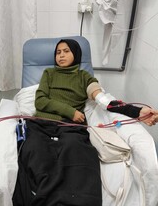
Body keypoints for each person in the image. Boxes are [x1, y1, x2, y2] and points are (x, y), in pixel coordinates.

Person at [12, 39, 157, 206]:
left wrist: (137, 112)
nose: (61, 55)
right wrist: (71, 111)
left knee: (79, 155)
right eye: (58, 52)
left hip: (70, 127)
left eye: (66, 51)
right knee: (33, 152)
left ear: (76, 54)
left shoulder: (84, 77)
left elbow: (105, 102)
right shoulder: (49, 74)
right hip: (41, 124)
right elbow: (40, 101)